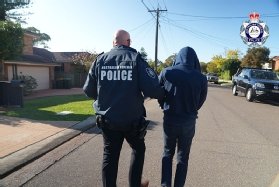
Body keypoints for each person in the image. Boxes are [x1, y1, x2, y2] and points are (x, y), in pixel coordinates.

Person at [83, 29, 164, 187]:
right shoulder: (136, 59)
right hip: (131, 120)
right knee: (138, 149)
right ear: (128, 42)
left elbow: (88, 90)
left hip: (108, 120)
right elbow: (153, 90)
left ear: (114, 42)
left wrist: (105, 97)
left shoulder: (99, 60)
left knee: (110, 155)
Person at [158, 46, 208, 187]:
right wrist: (192, 109)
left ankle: (165, 185)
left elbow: (158, 92)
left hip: (170, 120)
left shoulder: (167, 72)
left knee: (167, 153)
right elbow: (201, 100)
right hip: (188, 121)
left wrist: (163, 105)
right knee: (183, 157)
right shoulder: (201, 78)